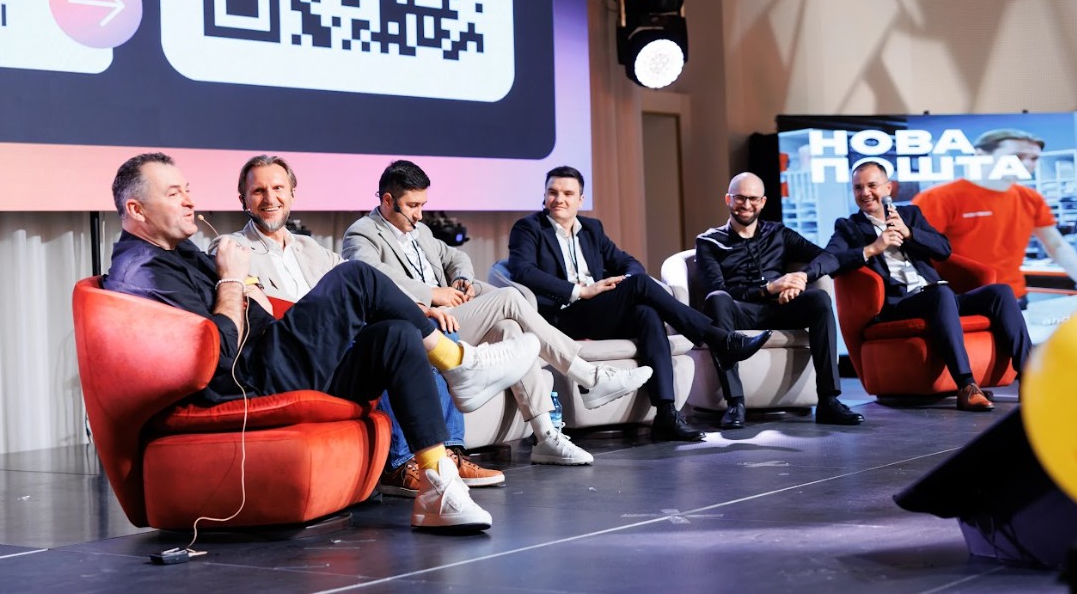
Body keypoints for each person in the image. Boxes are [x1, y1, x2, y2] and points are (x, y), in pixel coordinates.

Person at [103, 153, 540, 532]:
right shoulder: (143, 270)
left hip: (274, 357)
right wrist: (233, 280)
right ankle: (460, 363)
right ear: (137, 210)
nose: (190, 201)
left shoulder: (177, 251)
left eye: (187, 190)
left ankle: (437, 486)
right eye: (175, 193)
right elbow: (216, 354)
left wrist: (242, 287)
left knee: (397, 335)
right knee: (357, 276)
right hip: (250, 379)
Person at [211, 155, 505, 499]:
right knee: (367, 293)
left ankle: (443, 464)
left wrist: (421, 309)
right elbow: (264, 309)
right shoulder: (232, 247)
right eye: (258, 191)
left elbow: (367, 295)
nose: (270, 198)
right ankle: (403, 455)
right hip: (291, 357)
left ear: (292, 193)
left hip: (340, 350)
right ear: (243, 199)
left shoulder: (311, 248)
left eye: (278, 188)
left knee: (410, 329)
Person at [343, 160, 654, 465]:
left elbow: (456, 257)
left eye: (423, 205)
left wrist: (461, 279)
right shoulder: (363, 233)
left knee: (510, 330)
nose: (419, 214)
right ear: (388, 200)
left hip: (452, 318)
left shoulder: (420, 231)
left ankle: (546, 437)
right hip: (422, 324)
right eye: (412, 206)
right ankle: (590, 376)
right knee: (509, 297)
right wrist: (433, 294)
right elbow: (370, 276)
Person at [507, 166, 773, 442]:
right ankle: (719, 340)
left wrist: (625, 283)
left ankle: (666, 413)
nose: (559, 199)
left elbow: (628, 262)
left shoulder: (592, 229)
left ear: (580, 199)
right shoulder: (529, 228)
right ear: (544, 195)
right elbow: (522, 271)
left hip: (598, 312)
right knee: (641, 285)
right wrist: (581, 291)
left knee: (646, 312)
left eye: (567, 193)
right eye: (552, 192)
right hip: (563, 317)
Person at [823, 161, 1033, 411]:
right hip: (900, 304)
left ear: (888, 188)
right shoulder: (848, 227)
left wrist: (909, 233)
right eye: (858, 188)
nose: (865, 193)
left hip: (940, 297)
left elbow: (944, 249)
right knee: (941, 293)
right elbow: (832, 260)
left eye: (872, 185)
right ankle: (967, 386)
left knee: (1000, 292)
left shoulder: (910, 214)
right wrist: (872, 249)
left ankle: (1030, 377)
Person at [695, 172, 864, 428]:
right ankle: (735, 402)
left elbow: (827, 258)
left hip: (780, 309)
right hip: (739, 312)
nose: (746, 205)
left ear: (763, 202)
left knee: (819, 299)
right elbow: (717, 288)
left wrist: (801, 278)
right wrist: (769, 288)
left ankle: (829, 400)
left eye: (753, 199)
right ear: (728, 199)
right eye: (740, 198)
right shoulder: (709, 241)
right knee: (717, 299)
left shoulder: (779, 233)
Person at [912, 128, 1077, 308]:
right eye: (1017, 156)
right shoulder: (938, 198)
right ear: (981, 155)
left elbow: (1057, 245)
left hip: (1013, 298)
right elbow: (911, 255)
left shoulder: (1030, 198)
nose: (1027, 164)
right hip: (959, 302)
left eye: (1034, 158)